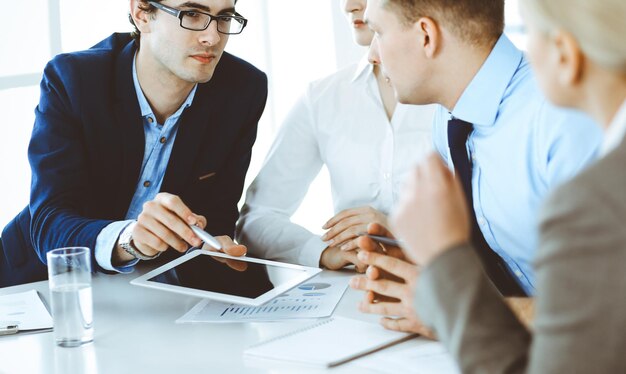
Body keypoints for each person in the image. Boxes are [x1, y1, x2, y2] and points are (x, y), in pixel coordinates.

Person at [381, 0, 626, 371]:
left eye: (528, 32)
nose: (371, 54)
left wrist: (448, 285)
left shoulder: (583, 170)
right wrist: (429, 260)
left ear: (565, 53)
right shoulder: (448, 121)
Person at [0, 0, 267, 288]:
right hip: (39, 284)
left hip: (149, 292)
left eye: (224, 18)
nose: (212, 37)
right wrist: (130, 239)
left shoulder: (242, 89)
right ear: (142, 13)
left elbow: (216, 215)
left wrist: (209, 245)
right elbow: (50, 221)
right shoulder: (74, 80)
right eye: (191, 14)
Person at [235, 0, 435, 271]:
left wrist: (399, 231)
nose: (350, 6)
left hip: (448, 290)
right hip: (352, 292)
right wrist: (322, 252)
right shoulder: (322, 97)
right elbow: (255, 220)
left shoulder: (457, 93)